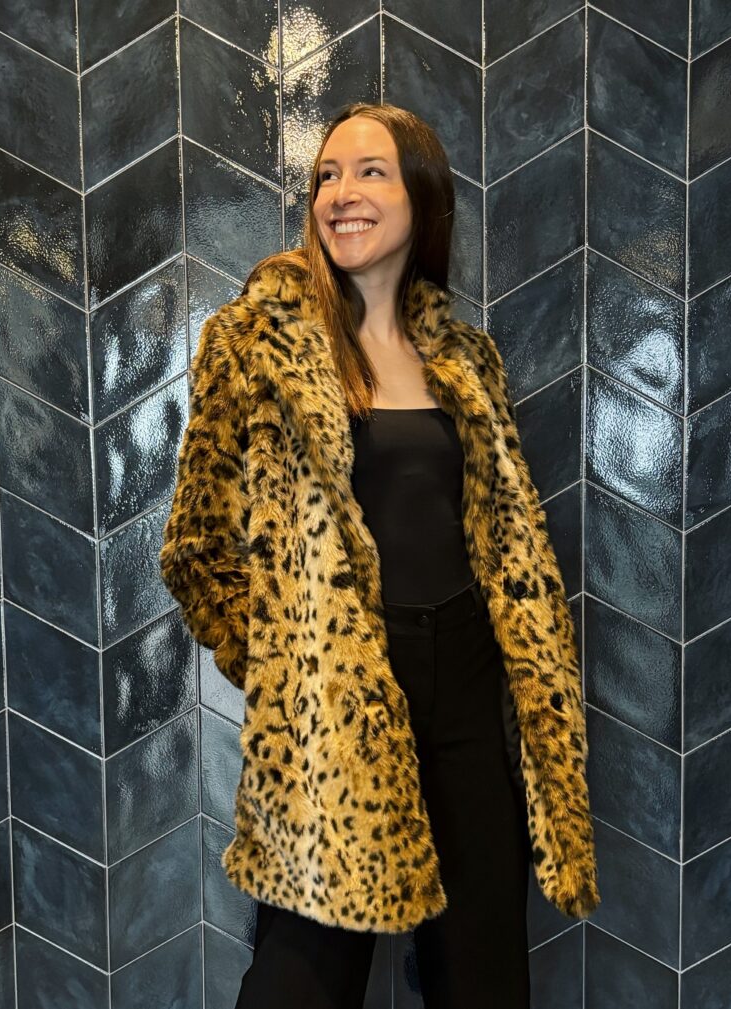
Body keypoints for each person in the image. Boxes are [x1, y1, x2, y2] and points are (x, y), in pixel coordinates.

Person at [159, 102, 599, 1008]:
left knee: (483, 980)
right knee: (299, 985)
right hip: (338, 692)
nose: (341, 193)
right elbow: (197, 548)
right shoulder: (256, 343)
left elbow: (505, 541)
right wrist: (289, 660)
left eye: (370, 172)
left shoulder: (467, 361)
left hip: (470, 689)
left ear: (421, 198)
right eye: (326, 175)